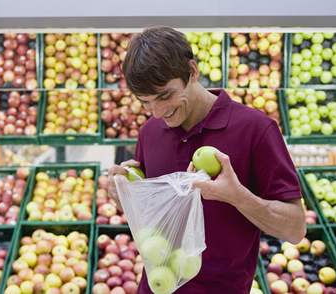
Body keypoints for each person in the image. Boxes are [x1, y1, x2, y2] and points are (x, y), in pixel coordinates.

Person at [108, 27, 306, 294]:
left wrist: (238, 197)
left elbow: (295, 228)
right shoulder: (150, 133)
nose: (157, 112)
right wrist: (129, 197)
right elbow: (156, 224)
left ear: (192, 71)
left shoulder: (255, 130)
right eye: (146, 102)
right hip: (157, 287)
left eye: (165, 95)